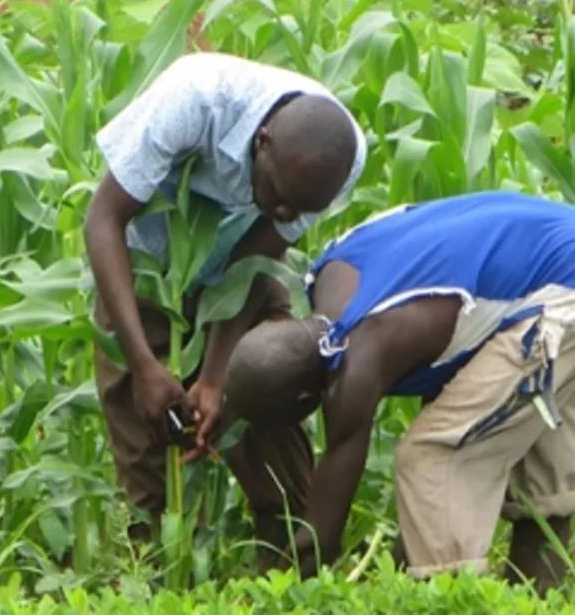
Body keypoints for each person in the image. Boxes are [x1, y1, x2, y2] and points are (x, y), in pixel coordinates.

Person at [219, 190, 575, 593]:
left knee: (434, 455)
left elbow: (325, 527)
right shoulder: (331, 273)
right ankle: (539, 598)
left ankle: (447, 597)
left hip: (568, 295)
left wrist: (293, 586)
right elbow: (449, 353)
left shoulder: (359, 361)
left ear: (304, 400)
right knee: (538, 444)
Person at [82, 51, 367, 570]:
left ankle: (289, 580)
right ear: (263, 145)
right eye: (279, 196)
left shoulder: (338, 158)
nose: (285, 214)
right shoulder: (192, 101)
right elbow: (103, 220)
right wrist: (146, 365)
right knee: (144, 436)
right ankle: (151, 579)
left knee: (268, 387)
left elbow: (253, 259)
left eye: (298, 210)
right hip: (146, 264)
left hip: (242, 276)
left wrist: (216, 377)